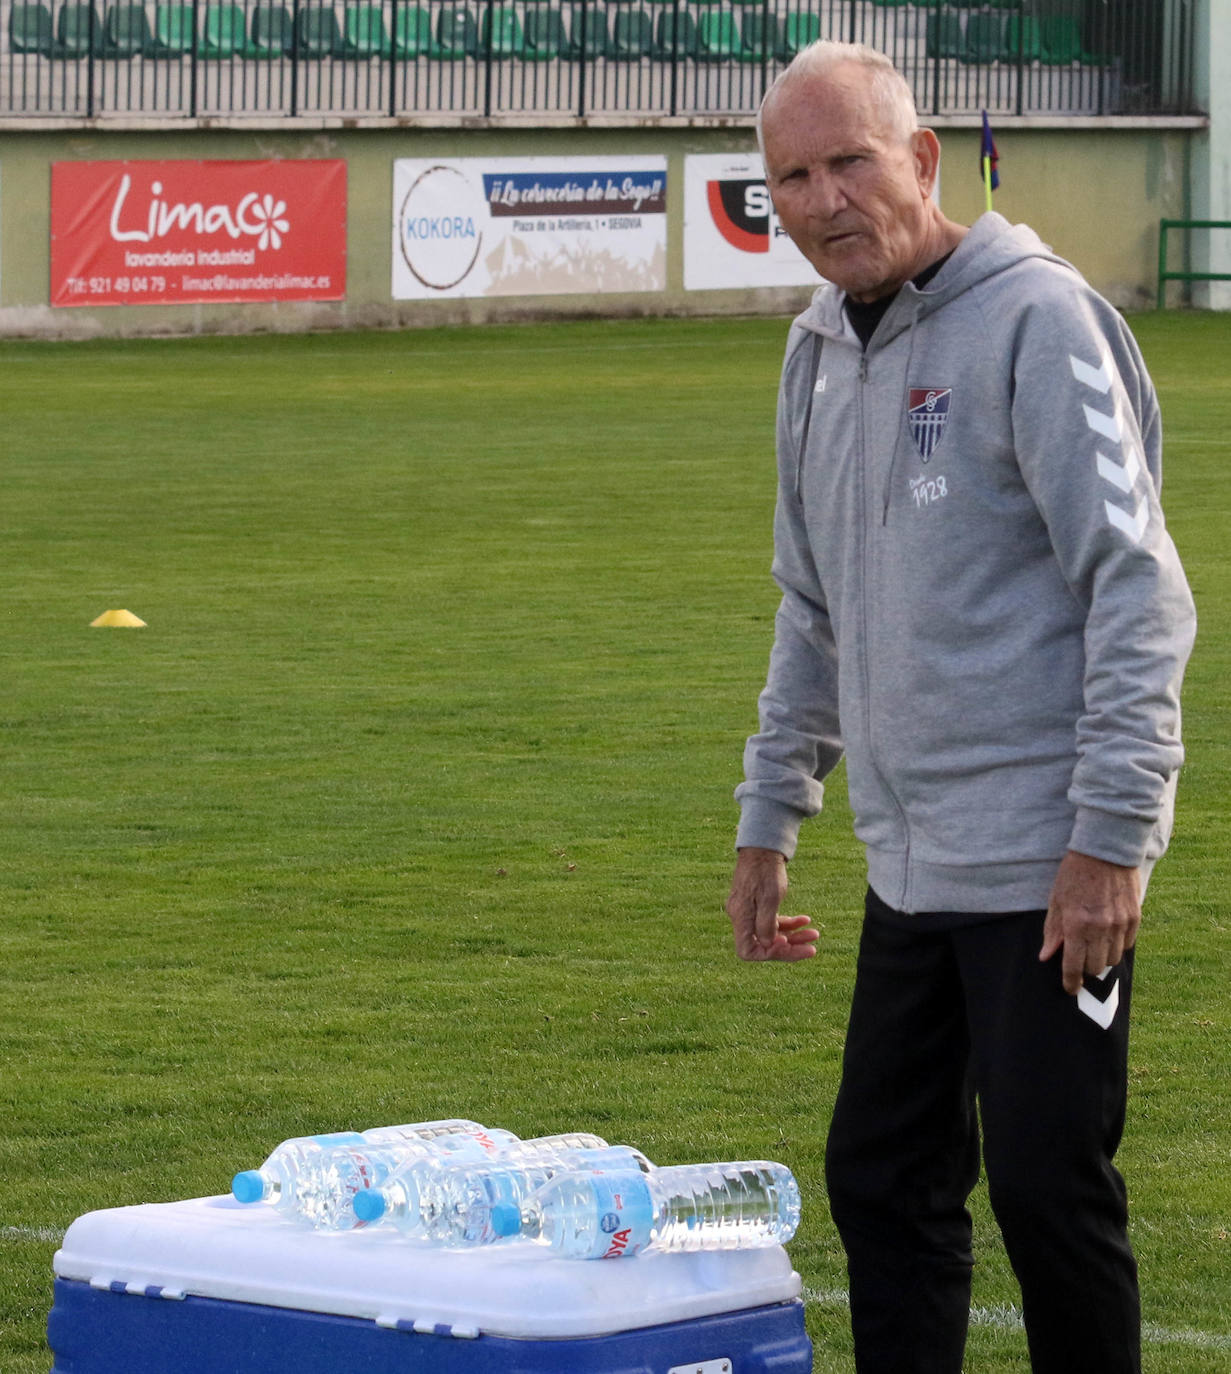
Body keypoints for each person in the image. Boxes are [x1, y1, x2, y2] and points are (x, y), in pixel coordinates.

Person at [725, 40, 1195, 1374]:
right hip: (910, 870)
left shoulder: (1037, 322)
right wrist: (769, 823)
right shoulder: (815, 353)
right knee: (881, 1177)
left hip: (1050, 872)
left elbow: (1139, 593)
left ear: (922, 160)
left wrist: (1111, 839)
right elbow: (810, 606)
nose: (824, 200)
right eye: (793, 178)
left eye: (851, 163)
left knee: (1052, 1193)